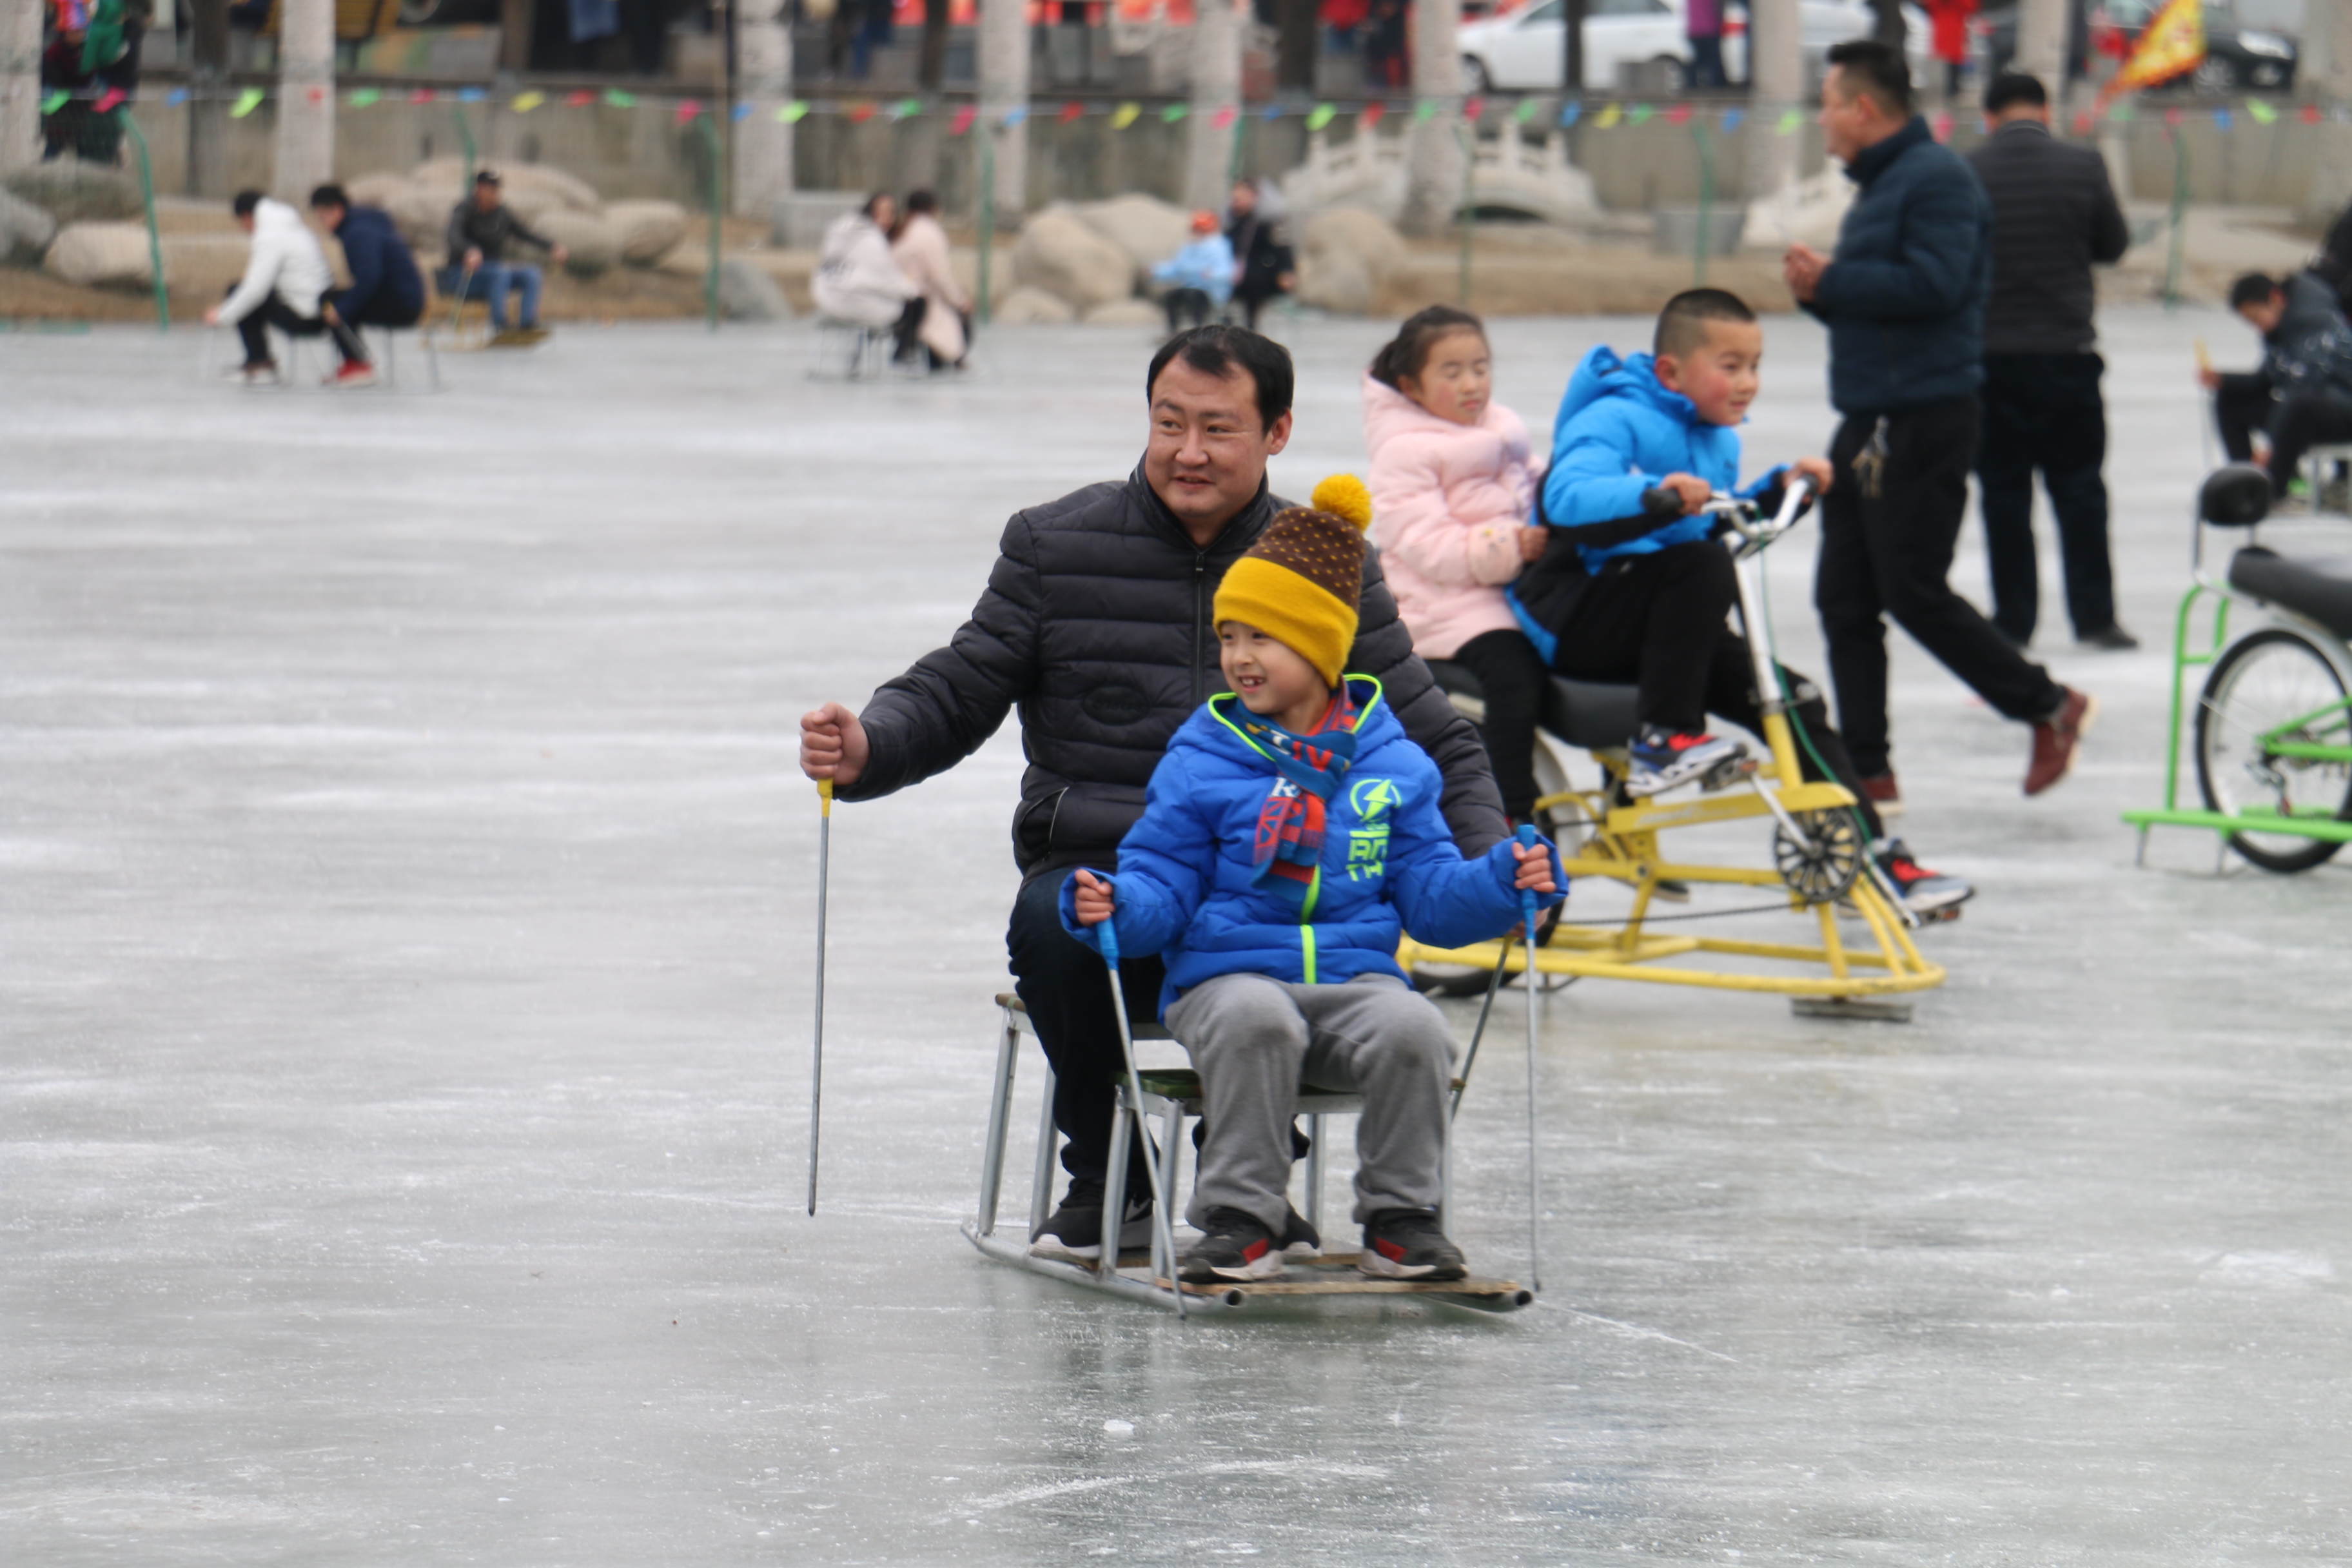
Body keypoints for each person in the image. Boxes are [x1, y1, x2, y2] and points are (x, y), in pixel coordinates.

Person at [797, 326, 1507, 1264]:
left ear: (1277, 432)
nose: (1189, 451)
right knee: (1060, 925)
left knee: (1302, 952)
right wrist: (871, 744)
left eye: (1218, 428)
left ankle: (1246, 1191)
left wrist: (1493, 858)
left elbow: (1430, 733)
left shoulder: (1323, 566)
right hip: (1099, 855)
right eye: (1169, 423)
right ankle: (1110, 1177)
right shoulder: (1056, 545)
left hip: (1261, 877)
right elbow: (958, 683)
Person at [1062, 487, 1563, 1284]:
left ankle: (1401, 1219)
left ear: (1324, 649)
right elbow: (1165, 876)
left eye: (1265, 635)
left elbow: (1431, 894)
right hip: (1227, 981)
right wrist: (1118, 904)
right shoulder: (1204, 758)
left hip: (1353, 979)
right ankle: (1242, 1217)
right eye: (1230, 635)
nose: (1240, 655)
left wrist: (1503, 880)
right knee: (1258, 1015)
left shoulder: (1392, 764)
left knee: (1414, 1028)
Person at [1513, 288, 1972, 915]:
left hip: (1661, 618)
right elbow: (1569, 497)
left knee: (1792, 700)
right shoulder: (1614, 416)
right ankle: (1662, 740)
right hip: (1575, 615)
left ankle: (1875, 857)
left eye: (1755, 365)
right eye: (1730, 366)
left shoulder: (1717, 439)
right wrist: (1654, 493)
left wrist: (1777, 490)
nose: (1748, 382)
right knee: (1702, 567)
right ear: (1672, 370)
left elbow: (1705, 526)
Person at [1783, 40, 2093, 805]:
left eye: (1827, 102)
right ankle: (1867, 769)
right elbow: (1885, 306)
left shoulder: (1936, 179)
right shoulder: (1887, 183)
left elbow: (1936, 283)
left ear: (1862, 108)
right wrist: (1820, 291)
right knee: (1844, 600)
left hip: (1921, 417)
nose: (1820, 117)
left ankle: (2046, 703)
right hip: (1869, 414)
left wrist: (1836, 278)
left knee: (1913, 589)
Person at [1966, 71, 2135, 651]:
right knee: (2081, 489)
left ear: (1988, 117)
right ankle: (2095, 618)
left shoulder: (1969, 170)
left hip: (1990, 361)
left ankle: (2014, 621)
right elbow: (2112, 246)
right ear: (2046, 111)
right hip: (2066, 355)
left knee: (2004, 494)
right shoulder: (2083, 165)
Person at [1361, 306, 1549, 826]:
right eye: (1452, 372)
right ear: (1412, 386)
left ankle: (1622, 787)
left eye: (1480, 367)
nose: (1472, 383)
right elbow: (1430, 547)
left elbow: (1538, 486)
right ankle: (1508, 815)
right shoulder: (1404, 451)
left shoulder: (1502, 427)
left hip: (1505, 591)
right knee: (1514, 678)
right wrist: (1514, 543)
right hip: (1444, 607)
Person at [2202, 272, 2352, 514]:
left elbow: (2309, 384)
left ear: (2276, 298)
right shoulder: (2281, 328)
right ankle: (2245, 482)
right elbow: (2268, 380)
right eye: (2249, 322)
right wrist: (2224, 380)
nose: (2257, 326)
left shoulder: (2314, 320)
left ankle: (2274, 490)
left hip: (2341, 410)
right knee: (2231, 400)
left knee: (2297, 406)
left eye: (2256, 317)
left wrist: (2271, 450)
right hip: (2306, 408)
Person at [204, 190, 370, 388]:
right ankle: (260, 362)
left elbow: (255, 289)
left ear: (247, 216)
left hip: (304, 318)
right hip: (319, 309)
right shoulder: (293, 227)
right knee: (250, 291)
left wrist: (222, 316)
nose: (244, 229)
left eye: (242, 223)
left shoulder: (270, 235)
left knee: (239, 290)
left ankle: (260, 364)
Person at [308, 183, 427, 389]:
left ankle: (358, 366)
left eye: (322, 216)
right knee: (336, 300)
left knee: (330, 302)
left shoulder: (358, 232)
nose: (322, 223)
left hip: (401, 304)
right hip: (403, 298)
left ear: (336, 209)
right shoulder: (365, 225)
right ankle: (356, 362)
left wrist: (342, 310)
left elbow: (370, 278)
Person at [445, 170, 568, 347]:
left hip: (495, 274)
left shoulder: (502, 213)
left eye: (497, 189)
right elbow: (453, 236)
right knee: (500, 272)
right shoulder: (464, 210)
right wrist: (469, 251)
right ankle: (501, 324)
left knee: (531, 274)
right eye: (491, 189)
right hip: (463, 275)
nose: (496, 194)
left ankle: (527, 323)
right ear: (479, 189)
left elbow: (525, 233)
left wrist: (552, 247)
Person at [814, 192, 924, 363]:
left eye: (891, 213)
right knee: (916, 303)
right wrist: (913, 290)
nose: (888, 219)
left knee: (897, 299)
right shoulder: (872, 241)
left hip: (826, 299)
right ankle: (903, 353)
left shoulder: (841, 229)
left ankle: (865, 355)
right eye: (882, 213)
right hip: (855, 304)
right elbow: (887, 281)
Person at [888, 190, 969, 371]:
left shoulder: (902, 230)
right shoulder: (930, 233)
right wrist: (959, 299)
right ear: (935, 210)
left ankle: (939, 358)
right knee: (955, 318)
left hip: (899, 295)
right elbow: (939, 275)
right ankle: (954, 361)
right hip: (921, 296)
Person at [1226, 179, 1297, 331]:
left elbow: (1281, 247)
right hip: (1232, 271)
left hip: (1260, 272)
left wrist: (1287, 270)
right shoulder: (1233, 222)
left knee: (1254, 284)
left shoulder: (1267, 223)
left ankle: (1251, 326)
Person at [1151, 211, 1236, 336]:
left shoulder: (1220, 247)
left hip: (1212, 291)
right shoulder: (1188, 247)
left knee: (1194, 296)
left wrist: (1213, 275)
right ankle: (1172, 331)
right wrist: (1155, 272)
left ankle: (1200, 331)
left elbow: (1227, 271)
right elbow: (1177, 268)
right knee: (1171, 296)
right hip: (1189, 286)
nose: (1198, 233)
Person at [1685, 0, 1728, 90]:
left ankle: (1692, 83)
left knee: (1698, 59)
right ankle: (1716, 84)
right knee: (1713, 60)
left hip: (1695, 30)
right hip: (1710, 29)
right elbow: (1718, 7)